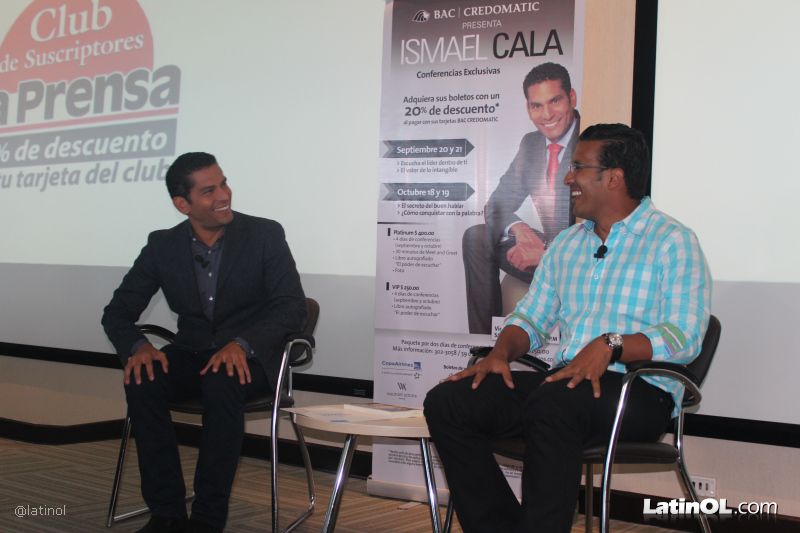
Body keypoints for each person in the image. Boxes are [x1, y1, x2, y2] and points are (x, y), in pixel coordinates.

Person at [425, 124, 711, 532]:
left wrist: (611, 345)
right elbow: (530, 317)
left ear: (614, 178)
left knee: (554, 401)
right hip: (563, 387)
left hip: (637, 394)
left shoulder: (673, 241)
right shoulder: (567, 244)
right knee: (450, 401)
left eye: (578, 167)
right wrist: (500, 354)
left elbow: (685, 335)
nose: (567, 178)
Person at [102, 152, 306, 533]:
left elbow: (292, 307)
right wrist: (138, 347)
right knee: (143, 379)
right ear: (183, 205)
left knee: (221, 381)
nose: (224, 195)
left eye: (224, 183)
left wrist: (242, 343)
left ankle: (207, 520)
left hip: (250, 359)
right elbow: (116, 312)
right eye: (209, 191)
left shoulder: (264, 235)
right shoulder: (162, 246)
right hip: (191, 352)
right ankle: (167, 513)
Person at [464, 62, 580, 334]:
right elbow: (496, 205)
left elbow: (603, 226)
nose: (546, 114)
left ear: (572, 98)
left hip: (582, 260)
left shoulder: (591, 139)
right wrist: (521, 229)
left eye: (555, 101)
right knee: (476, 237)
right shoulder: (531, 144)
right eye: (536, 106)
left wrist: (549, 254)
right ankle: (485, 345)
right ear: (528, 108)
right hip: (547, 247)